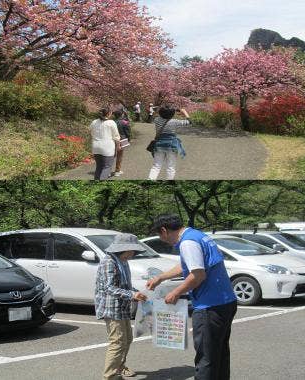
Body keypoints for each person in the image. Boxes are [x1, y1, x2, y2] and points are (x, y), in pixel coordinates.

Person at [146, 214, 237, 379]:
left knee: (206, 358)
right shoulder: (197, 235)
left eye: (160, 235)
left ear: (164, 230)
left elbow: (198, 275)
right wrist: (161, 277)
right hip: (225, 302)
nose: (162, 239)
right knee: (219, 353)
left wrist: (176, 292)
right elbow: (187, 265)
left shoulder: (188, 243)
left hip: (209, 306)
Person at [95, 233, 148, 380]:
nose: (133, 254)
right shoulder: (109, 262)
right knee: (117, 342)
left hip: (122, 307)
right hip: (110, 307)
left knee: (127, 339)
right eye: (132, 251)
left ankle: (119, 366)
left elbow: (126, 286)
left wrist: (138, 293)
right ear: (124, 249)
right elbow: (109, 288)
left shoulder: (123, 261)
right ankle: (110, 376)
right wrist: (132, 295)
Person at [148, 106, 191, 180]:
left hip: (159, 145)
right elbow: (189, 122)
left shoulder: (157, 120)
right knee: (170, 167)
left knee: (156, 166)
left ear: (160, 112)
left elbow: (155, 112)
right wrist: (184, 112)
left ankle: (150, 180)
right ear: (172, 114)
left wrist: (164, 109)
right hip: (171, 146)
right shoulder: (175, 122)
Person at [90, 108, 120, 180]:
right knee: (107, 167)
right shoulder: (111, 123)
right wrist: (117, 147)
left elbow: (91, 132)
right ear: (109, 114)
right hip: (107, 148)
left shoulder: (94, 122)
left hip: (96, 147)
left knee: (99, 167)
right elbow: (116, 137)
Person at [112, 110, 131, 177]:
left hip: (112, 139)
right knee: (120, 156)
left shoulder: (112, 122)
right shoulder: (125, 122)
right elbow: (128, 133)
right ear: (122, 115)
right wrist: (129, 139)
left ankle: (107, 170)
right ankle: (117, 171)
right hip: (122, 139)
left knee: (111, 155)